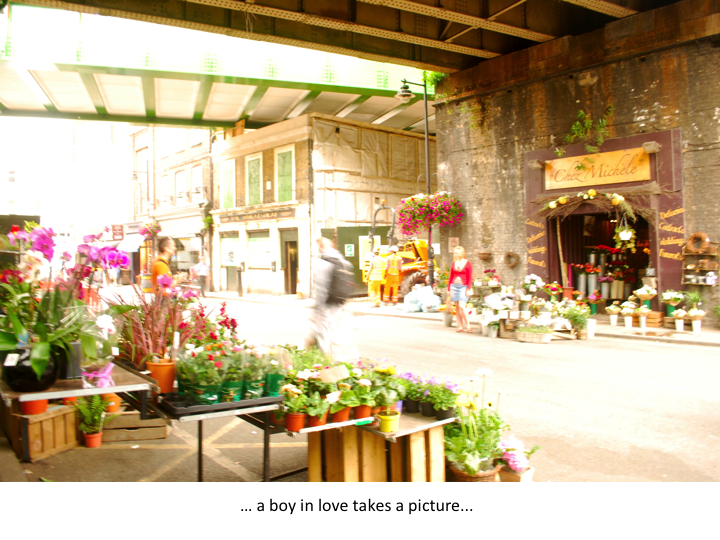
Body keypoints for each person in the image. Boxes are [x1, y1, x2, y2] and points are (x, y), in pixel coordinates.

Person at [306, 237, 357, 360]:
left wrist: (316, 310)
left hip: (327, 304)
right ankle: (350, 358)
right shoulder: (342, 261)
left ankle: (327, 360)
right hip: (339, 302)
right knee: (337, 331)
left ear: (321, 247)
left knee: (323, 332)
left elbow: (321, 288)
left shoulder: (323, 262)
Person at [448, 245, 473, 333]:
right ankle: (460, 326)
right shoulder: (453, 264)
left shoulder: (467, 263)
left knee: (462, 306)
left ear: (462, 253)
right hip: (454, 286)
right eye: (455, 253)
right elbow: (451, 277)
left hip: (463, 287)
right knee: (457, 308)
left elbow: (470, 277)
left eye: (457, 253)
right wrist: (448, 289)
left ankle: (468, 325)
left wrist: (468, 288)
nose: (456, 254)